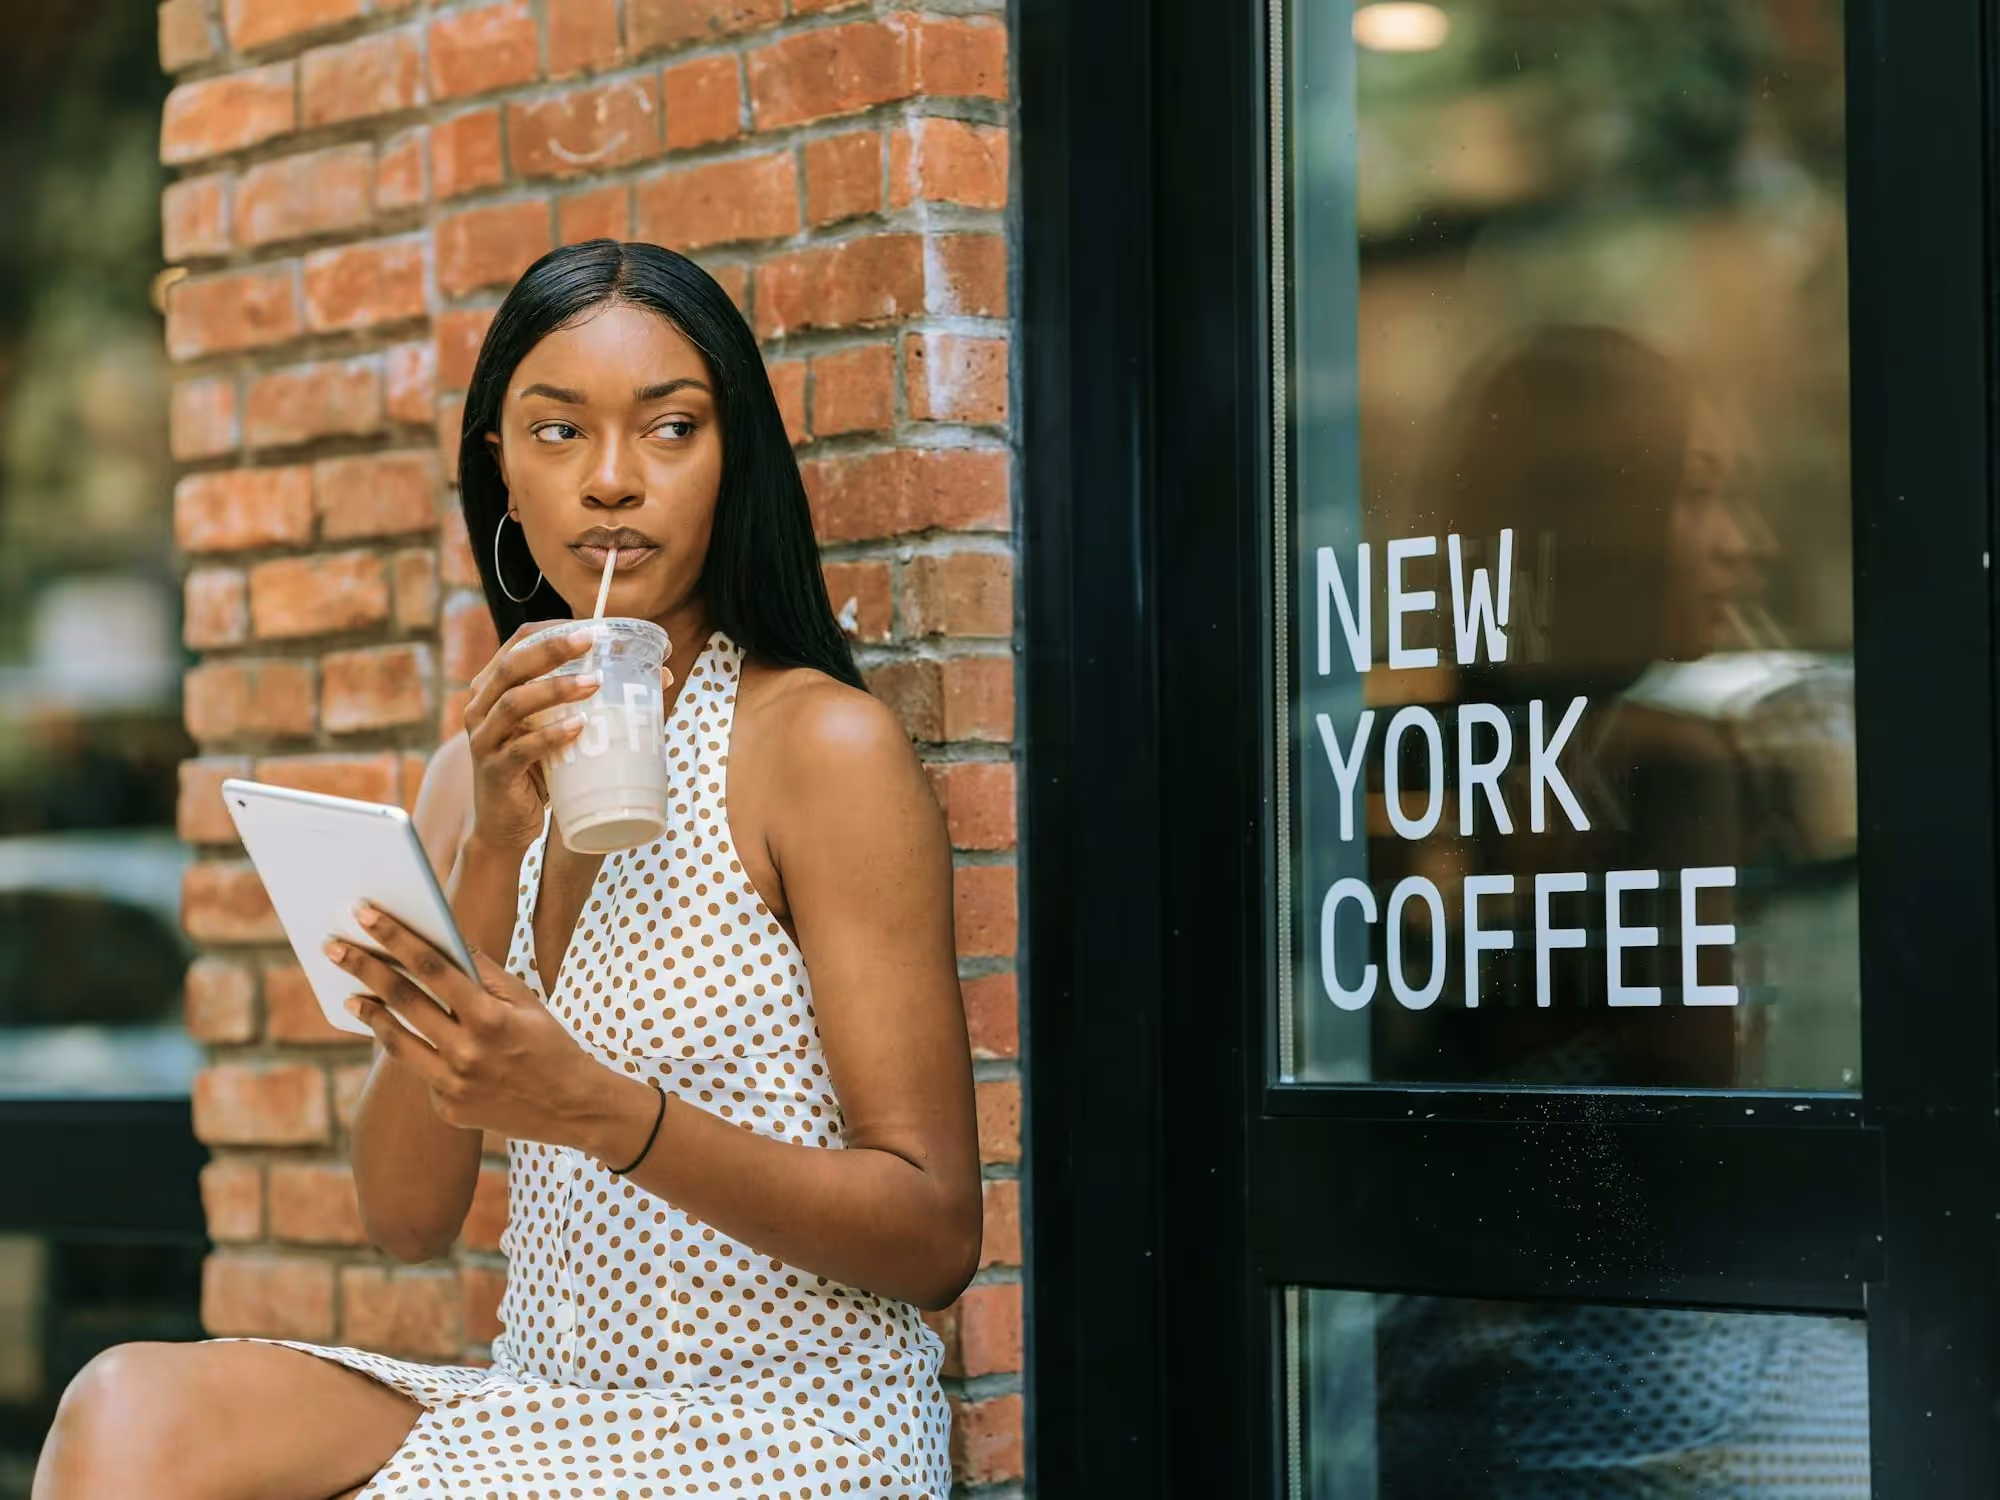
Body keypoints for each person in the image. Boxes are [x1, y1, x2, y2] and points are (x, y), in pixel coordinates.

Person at [33, 241, 982, 1500]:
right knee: (127, 1409)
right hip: (550, 1399)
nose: (609, 482)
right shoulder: (462, 784)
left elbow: (932, 1235)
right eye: (555, 432)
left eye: (670, 429)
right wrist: (486, 840)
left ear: (730, 456)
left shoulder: (818, 747)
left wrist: (597, 1108)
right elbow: (405, 1220)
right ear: (501, 468)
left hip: (786, 1415)